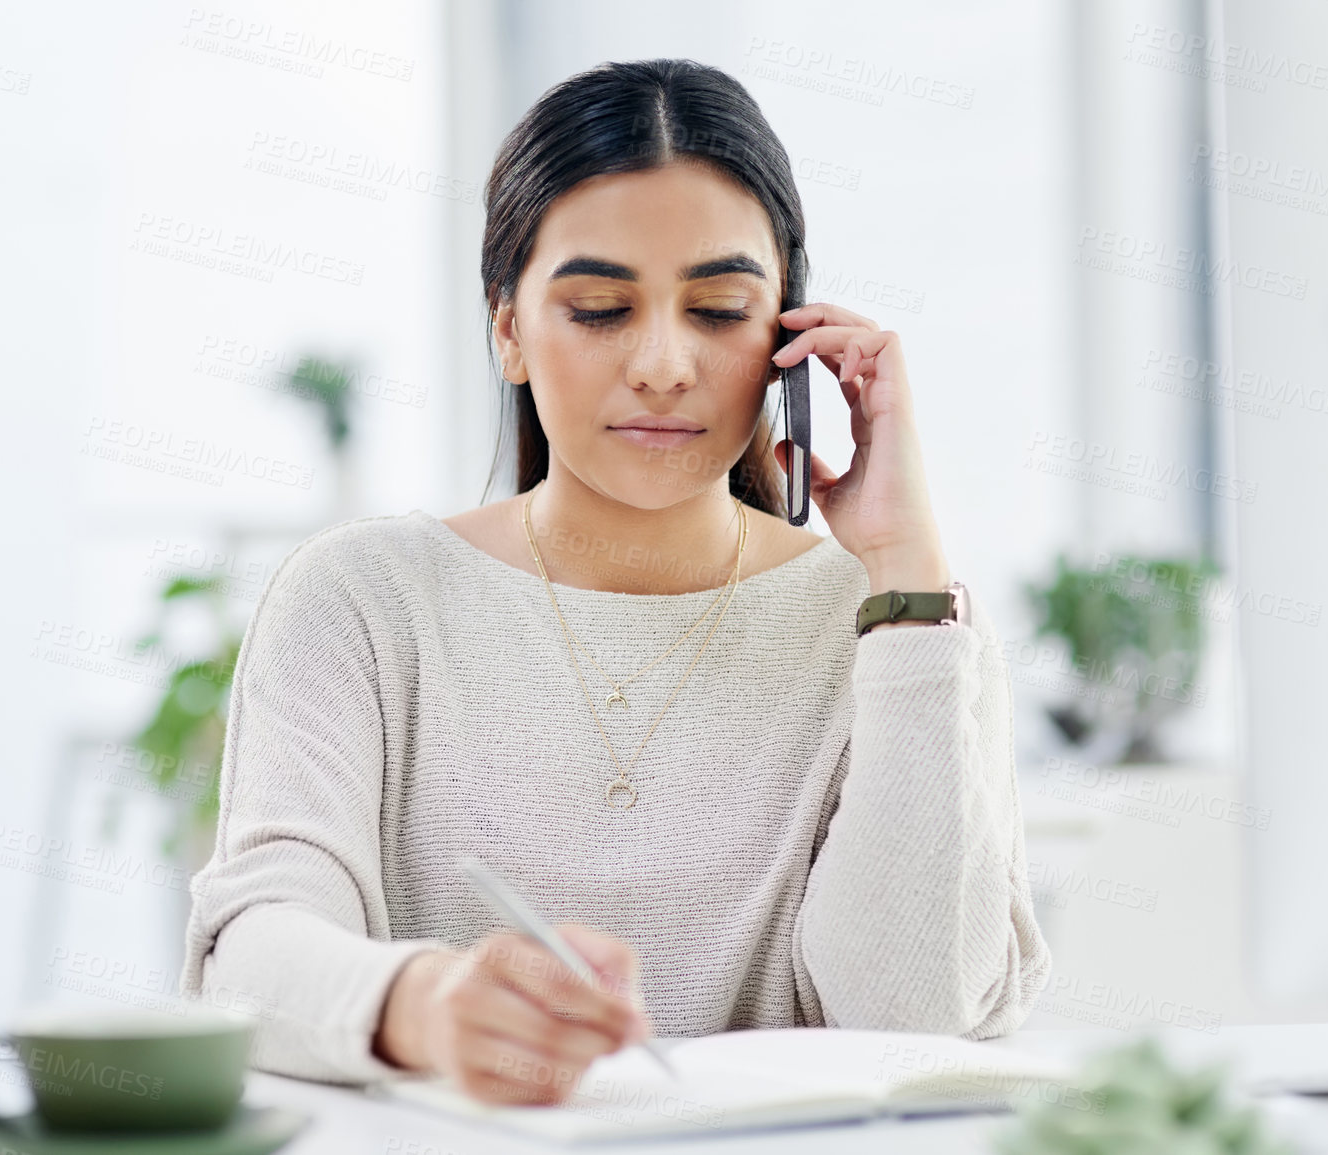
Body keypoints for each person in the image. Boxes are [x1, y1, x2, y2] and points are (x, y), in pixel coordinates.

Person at [180, 57, 1050, 1108]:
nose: (664, 363)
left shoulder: (900, 627)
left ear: (789, 338)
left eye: (721, 308)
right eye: (599, 308)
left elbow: (910, 1022)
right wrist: (430, 1005)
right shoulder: (361, 600)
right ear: (509, 329)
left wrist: (906, 580)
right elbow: (253, 959)